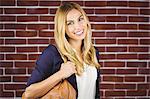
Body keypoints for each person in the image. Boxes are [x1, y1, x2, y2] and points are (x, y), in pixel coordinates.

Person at [22, 2, 100, 99]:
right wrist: (60, 74)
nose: (78, 26)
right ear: (63, 28)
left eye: (80, 19)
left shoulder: (93, 53)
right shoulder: (52, 53)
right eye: (70, 23)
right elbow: (29, 93)